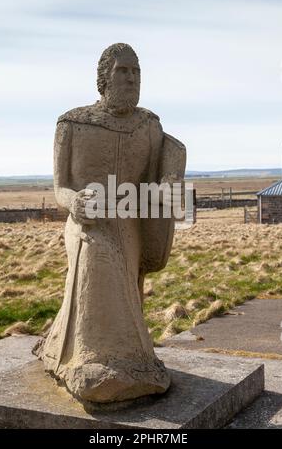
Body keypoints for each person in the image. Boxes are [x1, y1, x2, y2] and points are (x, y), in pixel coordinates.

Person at [34, 43, 186, 403]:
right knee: (96, 250)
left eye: (136, 72)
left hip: (129, 220)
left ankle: (131, 361)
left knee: (116, 252)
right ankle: (90, 360)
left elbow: (172, 153)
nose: (131, 78)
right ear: (104, 77)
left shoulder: (149, 125)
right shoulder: (71, 124)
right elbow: (60, 188)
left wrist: (169, 181)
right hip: (84, 220)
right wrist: (75, 204)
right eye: (123, 71)